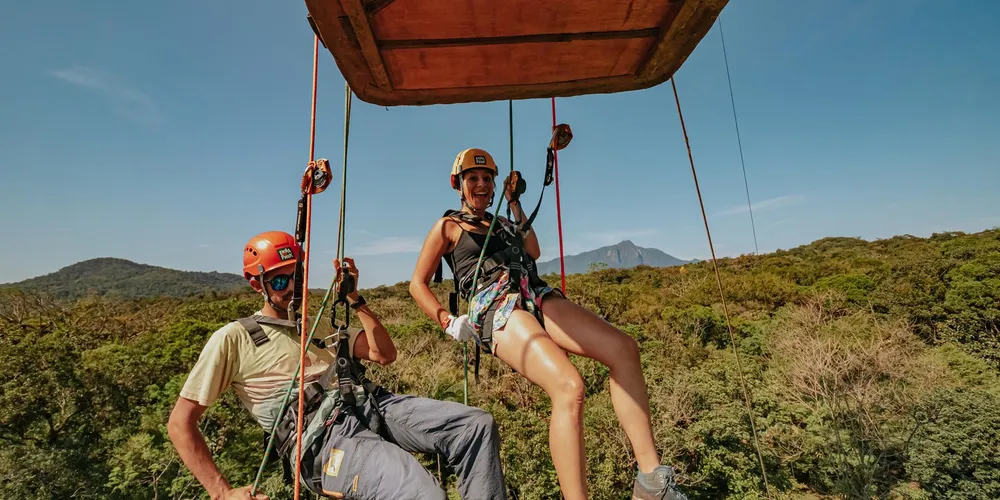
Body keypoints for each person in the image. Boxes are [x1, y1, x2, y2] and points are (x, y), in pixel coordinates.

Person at [409, 149, 688, 500]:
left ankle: (651, 482)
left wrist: (514, 203)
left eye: (487, 179)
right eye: (473, 179)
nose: (481, 185)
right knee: (569, 386)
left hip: (532, 292)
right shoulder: (448, 226)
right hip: (495, 306)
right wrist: (447, 320)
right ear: (458, 185)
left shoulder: (505, 223)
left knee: (624, 349)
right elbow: (416, 283)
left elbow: (533, 251)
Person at [168, 230, 507, 500]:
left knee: (475, 426)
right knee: (422, 493)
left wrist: (356, 300)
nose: (292, 289)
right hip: (320, 436)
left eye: (296, 277)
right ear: (258, 284)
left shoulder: (318, 325)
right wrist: (222, 492)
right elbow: (181, 423)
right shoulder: (235, 338)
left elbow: (384, 354)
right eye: (280, 281)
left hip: (368, 403)